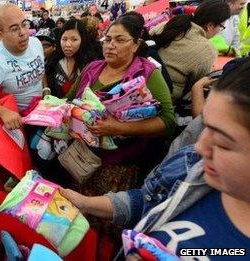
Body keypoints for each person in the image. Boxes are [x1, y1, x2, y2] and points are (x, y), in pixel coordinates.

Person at [61, 59, 250, 257]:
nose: (200, 147)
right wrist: (85, 202)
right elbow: (147, 200)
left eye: (222, 142)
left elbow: (165, 121)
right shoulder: (189, 164)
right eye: (204, 126)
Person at [62, 14, 175, 211]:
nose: (110, 45)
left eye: (119, 40)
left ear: (135, 44)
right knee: (77, 214)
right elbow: (68, 101)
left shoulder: (148, 73)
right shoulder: (92, 68)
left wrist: (118, 127)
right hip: (81, 159)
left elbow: (168, 121)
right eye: (107, 39)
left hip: (118, 167)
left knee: (105, 219)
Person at [149, 0, 231, 102]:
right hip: (164, 103)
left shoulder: (166, 25)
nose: (219, 31)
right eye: (221, 27)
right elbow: (195, 86)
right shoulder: (207, 49)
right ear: (210, 25)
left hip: (139, 89)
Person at [45, 19, 98, 98]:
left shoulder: (90, 64)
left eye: (74, 39)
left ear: (82, 40)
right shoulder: (54, 59)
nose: (68, 44)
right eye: (64, 39)